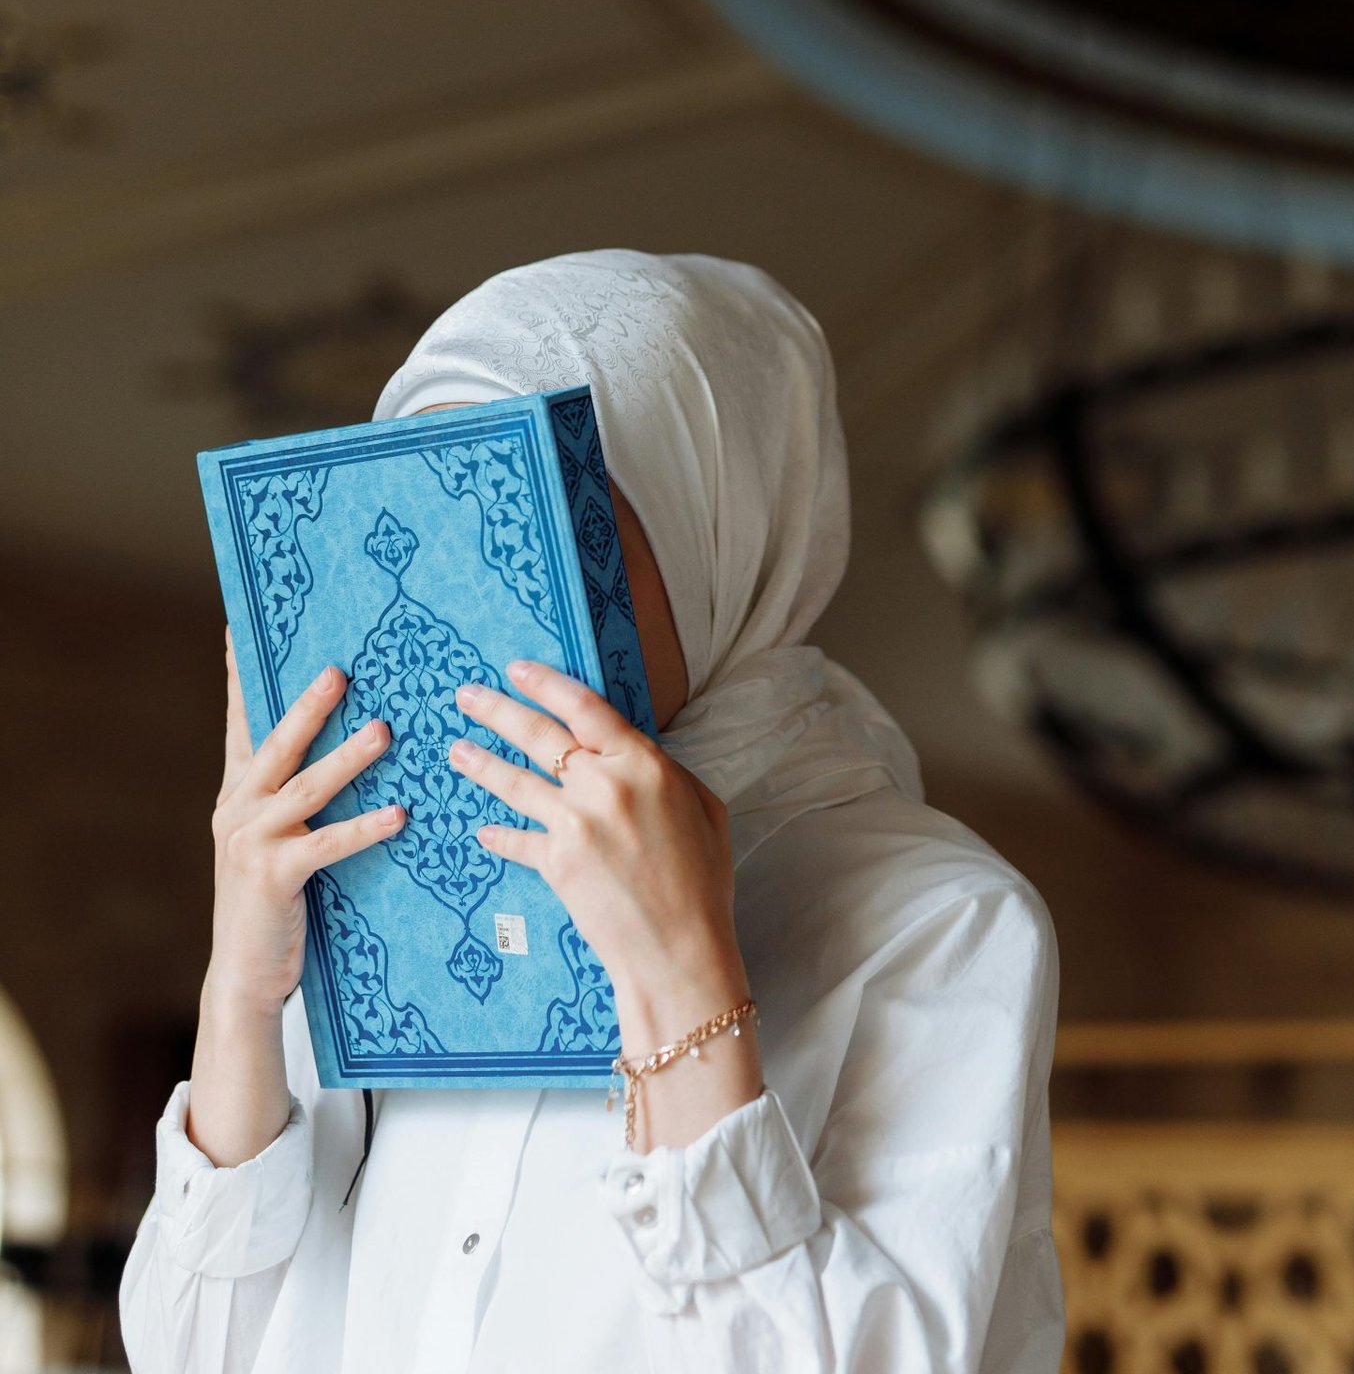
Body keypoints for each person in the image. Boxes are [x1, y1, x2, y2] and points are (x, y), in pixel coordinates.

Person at [121, 250, 1064, 1372]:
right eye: (439, 523)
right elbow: (193, 1352)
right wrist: (241, 990)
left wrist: (680, 974)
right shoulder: (377, 886)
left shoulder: (937, 921)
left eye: (538, 526)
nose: (476, 600)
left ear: (716, 529)